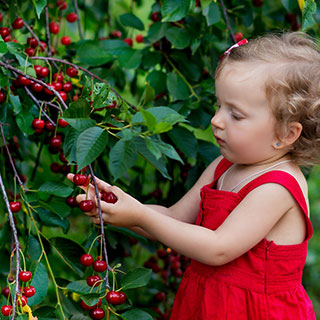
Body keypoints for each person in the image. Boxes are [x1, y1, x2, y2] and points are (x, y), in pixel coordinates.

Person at [67, 31, 320, 319]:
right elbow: (173, 219)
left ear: (286, 134)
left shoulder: (278, 187)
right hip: (205, 303)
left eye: (235, 115)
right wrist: (117, 206)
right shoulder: (223, 167)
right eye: (218, 105)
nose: (216, 120)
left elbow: (218, 248)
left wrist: (139, 216)